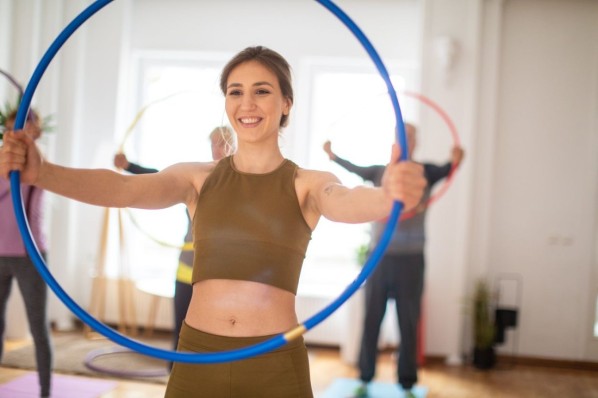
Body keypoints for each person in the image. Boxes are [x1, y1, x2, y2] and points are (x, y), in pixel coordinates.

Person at [0, 46, 426, 397]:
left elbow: (346, 202)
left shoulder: (307, 183)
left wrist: (390, 195)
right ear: (225, 102)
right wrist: (44, 174)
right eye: (235, 91)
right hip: (198, 357)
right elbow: (123, 189)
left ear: (286, 104)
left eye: (262, 91)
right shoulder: (196, 179)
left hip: (273, 363)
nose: (247, 104)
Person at [323, 124, 464, 397]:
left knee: (408, 322)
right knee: (372, 318)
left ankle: (407, 384)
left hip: (411, 260)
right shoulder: (379, 172)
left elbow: (452, 167)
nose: (407, 139)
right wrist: (332, 155)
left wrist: (459, 157)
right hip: (379, 258)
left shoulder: (425, 172)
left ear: (417, 142)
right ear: (394, 142)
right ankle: (364, 378)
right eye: (403, 135)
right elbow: (353, 169)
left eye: (412, 136)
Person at [112, 126, 236, 362]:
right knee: (181, 333)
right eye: (214, 143)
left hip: (218, 273)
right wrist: (129, 167)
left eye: (222, 143)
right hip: (187, 269)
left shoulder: (241, 182)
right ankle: (174, 376)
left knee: (215, 337)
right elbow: (161, 178)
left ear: (234, 146)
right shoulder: (197, 175)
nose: (217, 148)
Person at [0, 108, 53, 397]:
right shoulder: (2, 161)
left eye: (21, 128)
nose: (14, 134)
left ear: (34, 132)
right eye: (9, 129)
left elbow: (30, 190)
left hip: (30, 254)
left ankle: (45, 391)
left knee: (38, 328)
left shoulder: (38, 163)